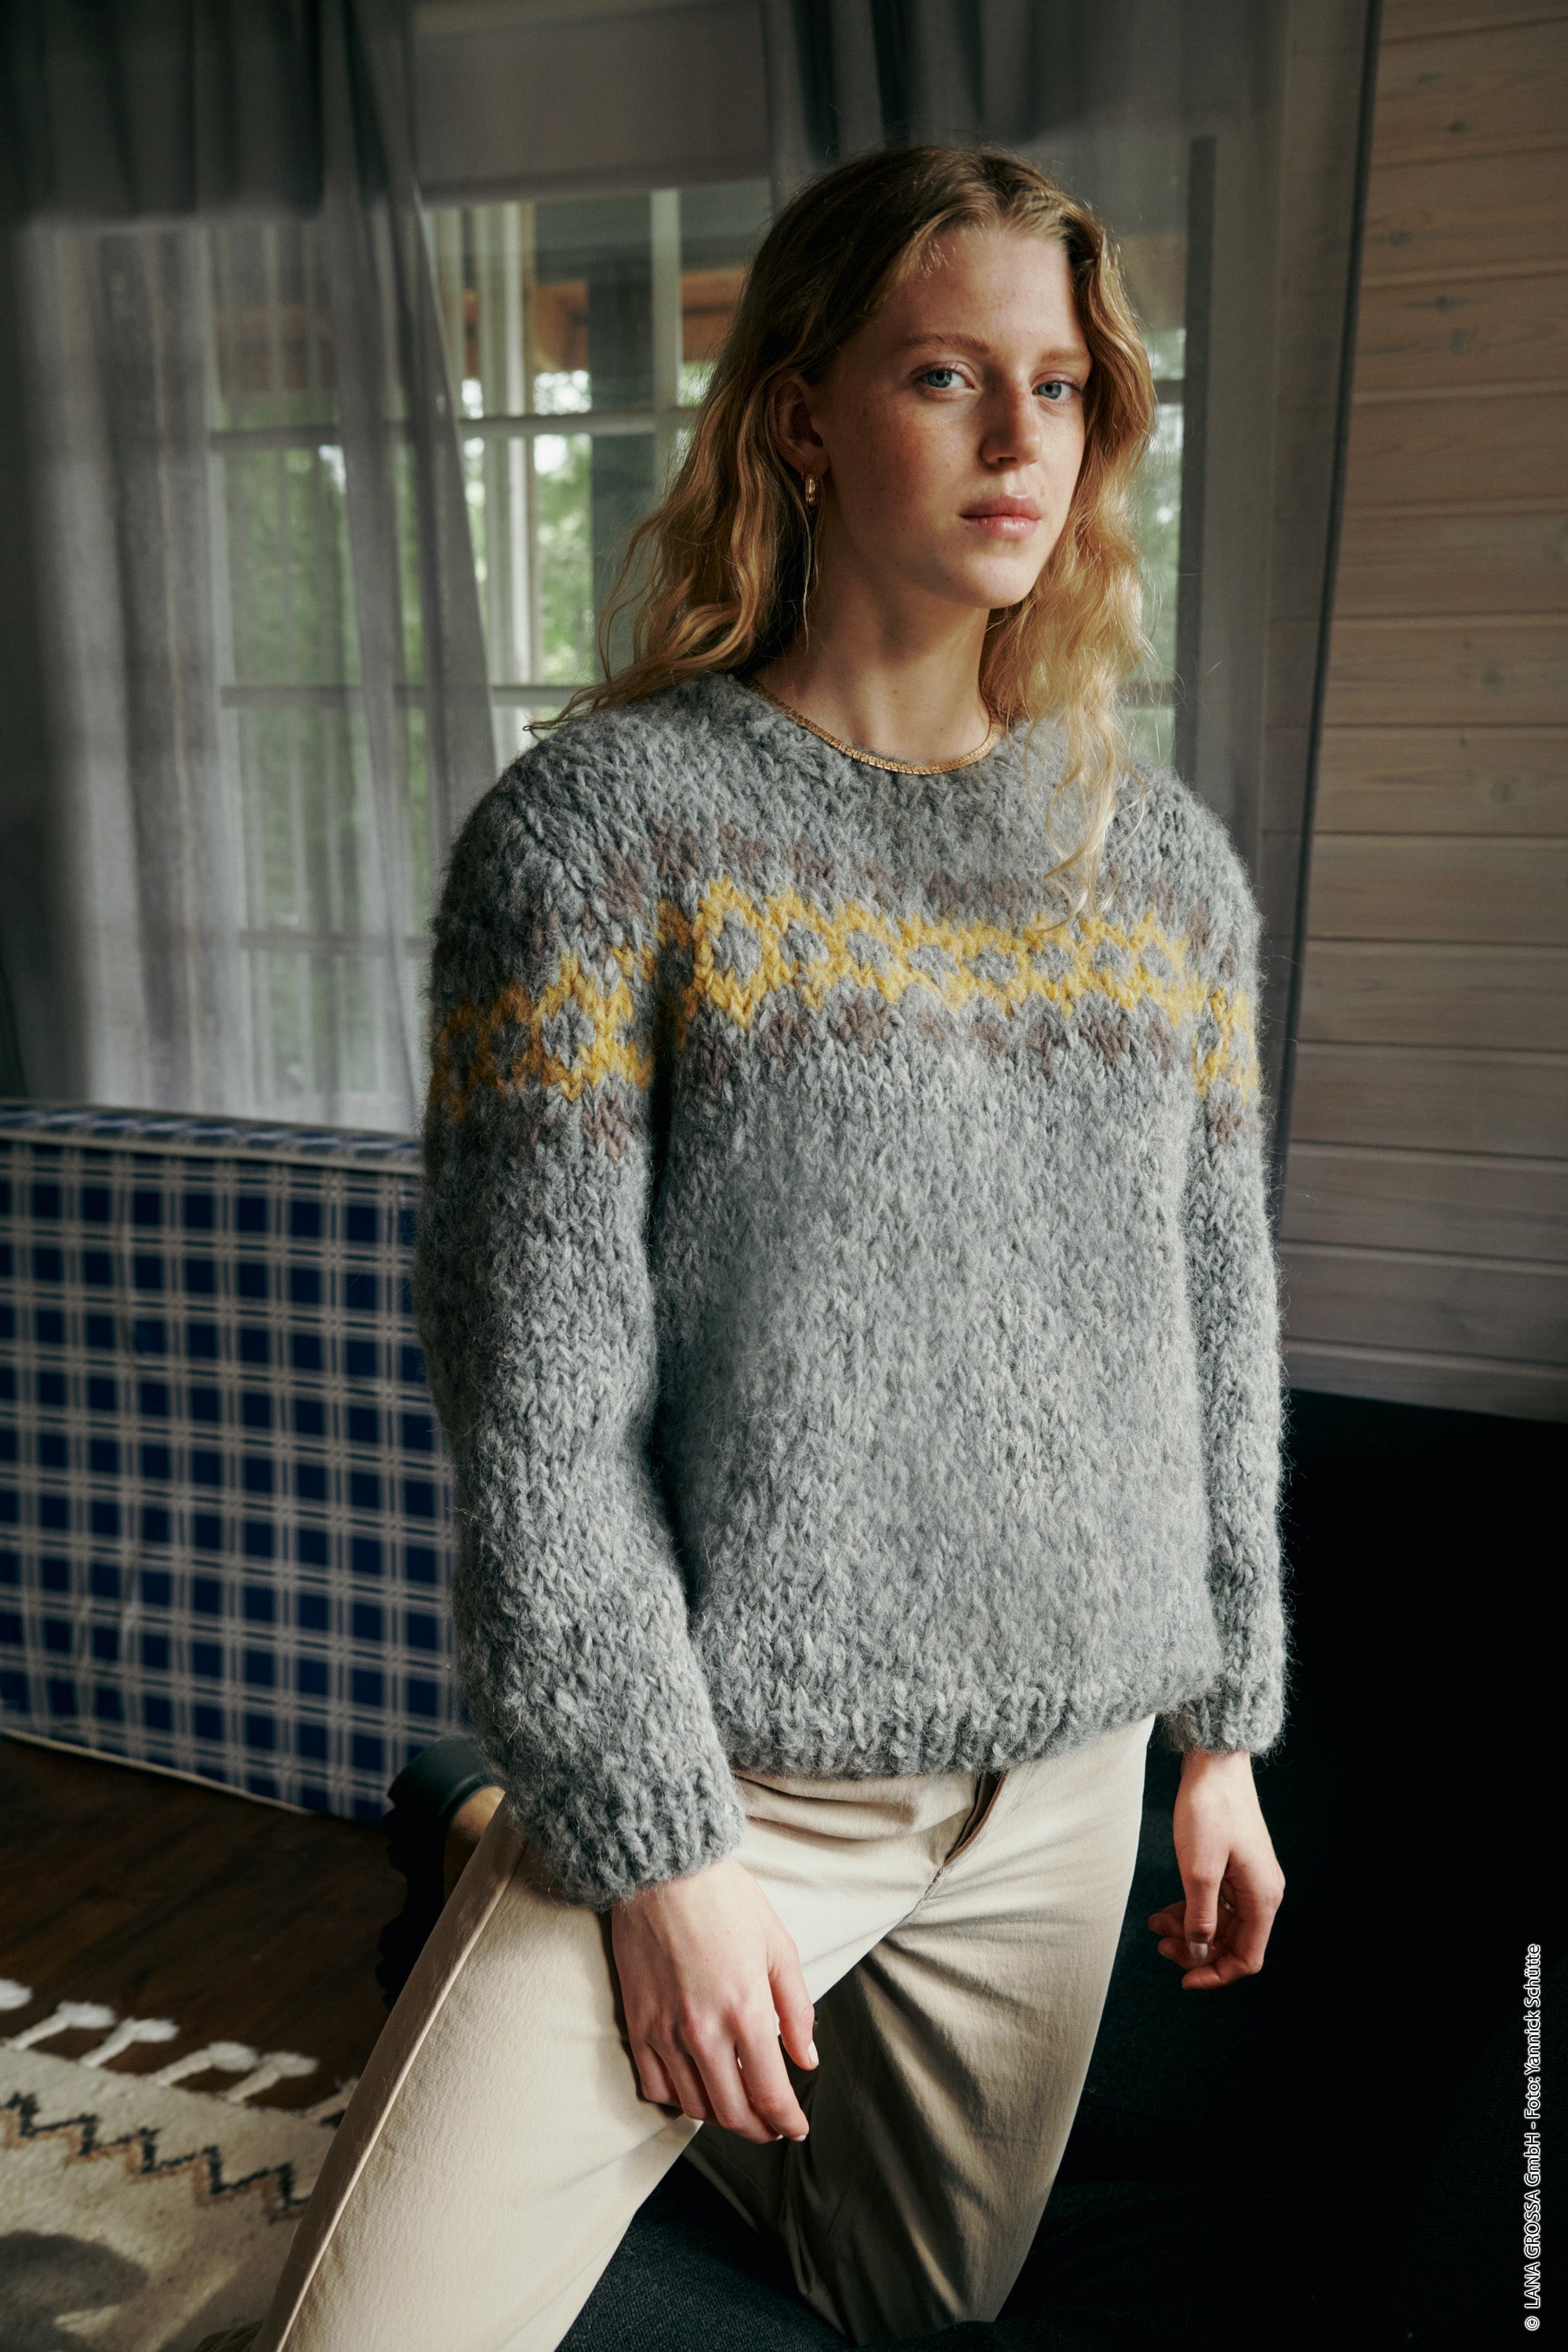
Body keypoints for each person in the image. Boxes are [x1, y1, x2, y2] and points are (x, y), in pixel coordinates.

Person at [251, 142, 1287, 2352]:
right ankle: (515, 1835)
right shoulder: (598, 840)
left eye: (1062, 387)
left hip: (1068, 1776)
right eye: (946, 376)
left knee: (913, 2298)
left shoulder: (1168, 875)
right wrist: (656, 1851)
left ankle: (490, 1840)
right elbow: (543, 1411)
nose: (1022, 443)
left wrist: (1224, 1731)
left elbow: (1213, 1313)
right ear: (801, 416)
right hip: (743, 1776)